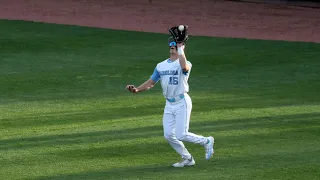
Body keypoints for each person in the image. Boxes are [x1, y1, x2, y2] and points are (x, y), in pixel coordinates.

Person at [126, 37, 215, 168]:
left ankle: (206, 141)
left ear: (181, 47)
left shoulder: (185, 63)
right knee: (168, 135)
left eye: (176, 45)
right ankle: (188, 158)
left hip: (182, 101)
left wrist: (181, 50)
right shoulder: (161, 66)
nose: (173, 46)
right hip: (169, 104)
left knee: (181, 134)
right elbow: (151, 83)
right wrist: (137, 89)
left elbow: (184, 66)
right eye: (172, 45)